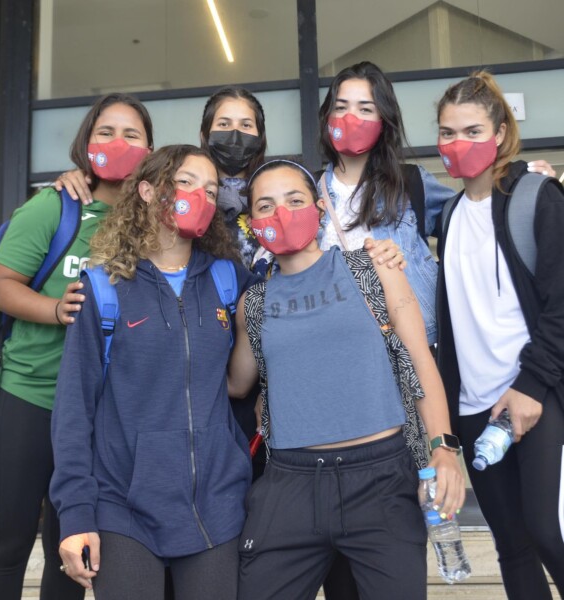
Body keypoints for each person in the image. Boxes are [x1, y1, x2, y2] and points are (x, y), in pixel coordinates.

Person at [228, 159, 466, 600]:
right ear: (253, 223)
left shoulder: (374, 268)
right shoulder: (252, 304)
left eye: (294, 200)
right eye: (266, 206)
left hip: (381, 480)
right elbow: (235, 384)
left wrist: (444, 449)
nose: (282, 213)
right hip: (290, 484)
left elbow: (420, 362)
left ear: (320, 207)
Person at [50, 144, 257, 599]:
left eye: (211, 189)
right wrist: (75, 514)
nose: (201, 196)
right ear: (147, 191)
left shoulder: (229, 280)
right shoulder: (101, 288)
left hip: (217, 507)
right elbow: (74, 410)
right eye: (186, 183)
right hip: (123, 508)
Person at [0, 93, 153, 600]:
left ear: (150, 150)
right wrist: (55, 309)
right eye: (105, 132)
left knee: (73, 551)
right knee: (9, 546)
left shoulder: (149, 224)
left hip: (97, 414)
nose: (117, 143)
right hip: (29, 396)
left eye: (132, 135)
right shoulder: (55, 205)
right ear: (85, 142)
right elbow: (0, 287)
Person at [317, 61, 555, 347]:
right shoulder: (305, 192)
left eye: (365, 109)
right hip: (336, 345)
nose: (350, 118)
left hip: (414, 348)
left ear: (383, 119)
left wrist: (522, 182)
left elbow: (478, 215)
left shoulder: (411, 183)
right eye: (341, 107)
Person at [435, 72, 564, 600]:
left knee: (548, 531)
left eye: (472, 131)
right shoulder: (448, 215)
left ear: (501, 133)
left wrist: (531, 387)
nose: (458, 144)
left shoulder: (537, 196)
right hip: (475, 407)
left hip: (533, 394)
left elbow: (560, 302)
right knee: (511, 545)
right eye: (447, 133)